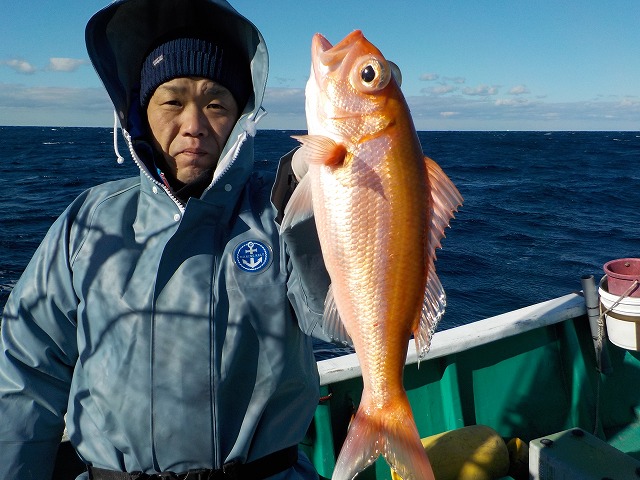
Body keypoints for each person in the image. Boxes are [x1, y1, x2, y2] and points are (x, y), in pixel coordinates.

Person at [0, 0, 331, 478]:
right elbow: (26, 369)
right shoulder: (88, 220)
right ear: (140, 113)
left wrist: (328, 203)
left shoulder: (281, 212)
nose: (193, 125)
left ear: (241, 117)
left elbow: (335, 320)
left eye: (216, 104)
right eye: (172, 102)